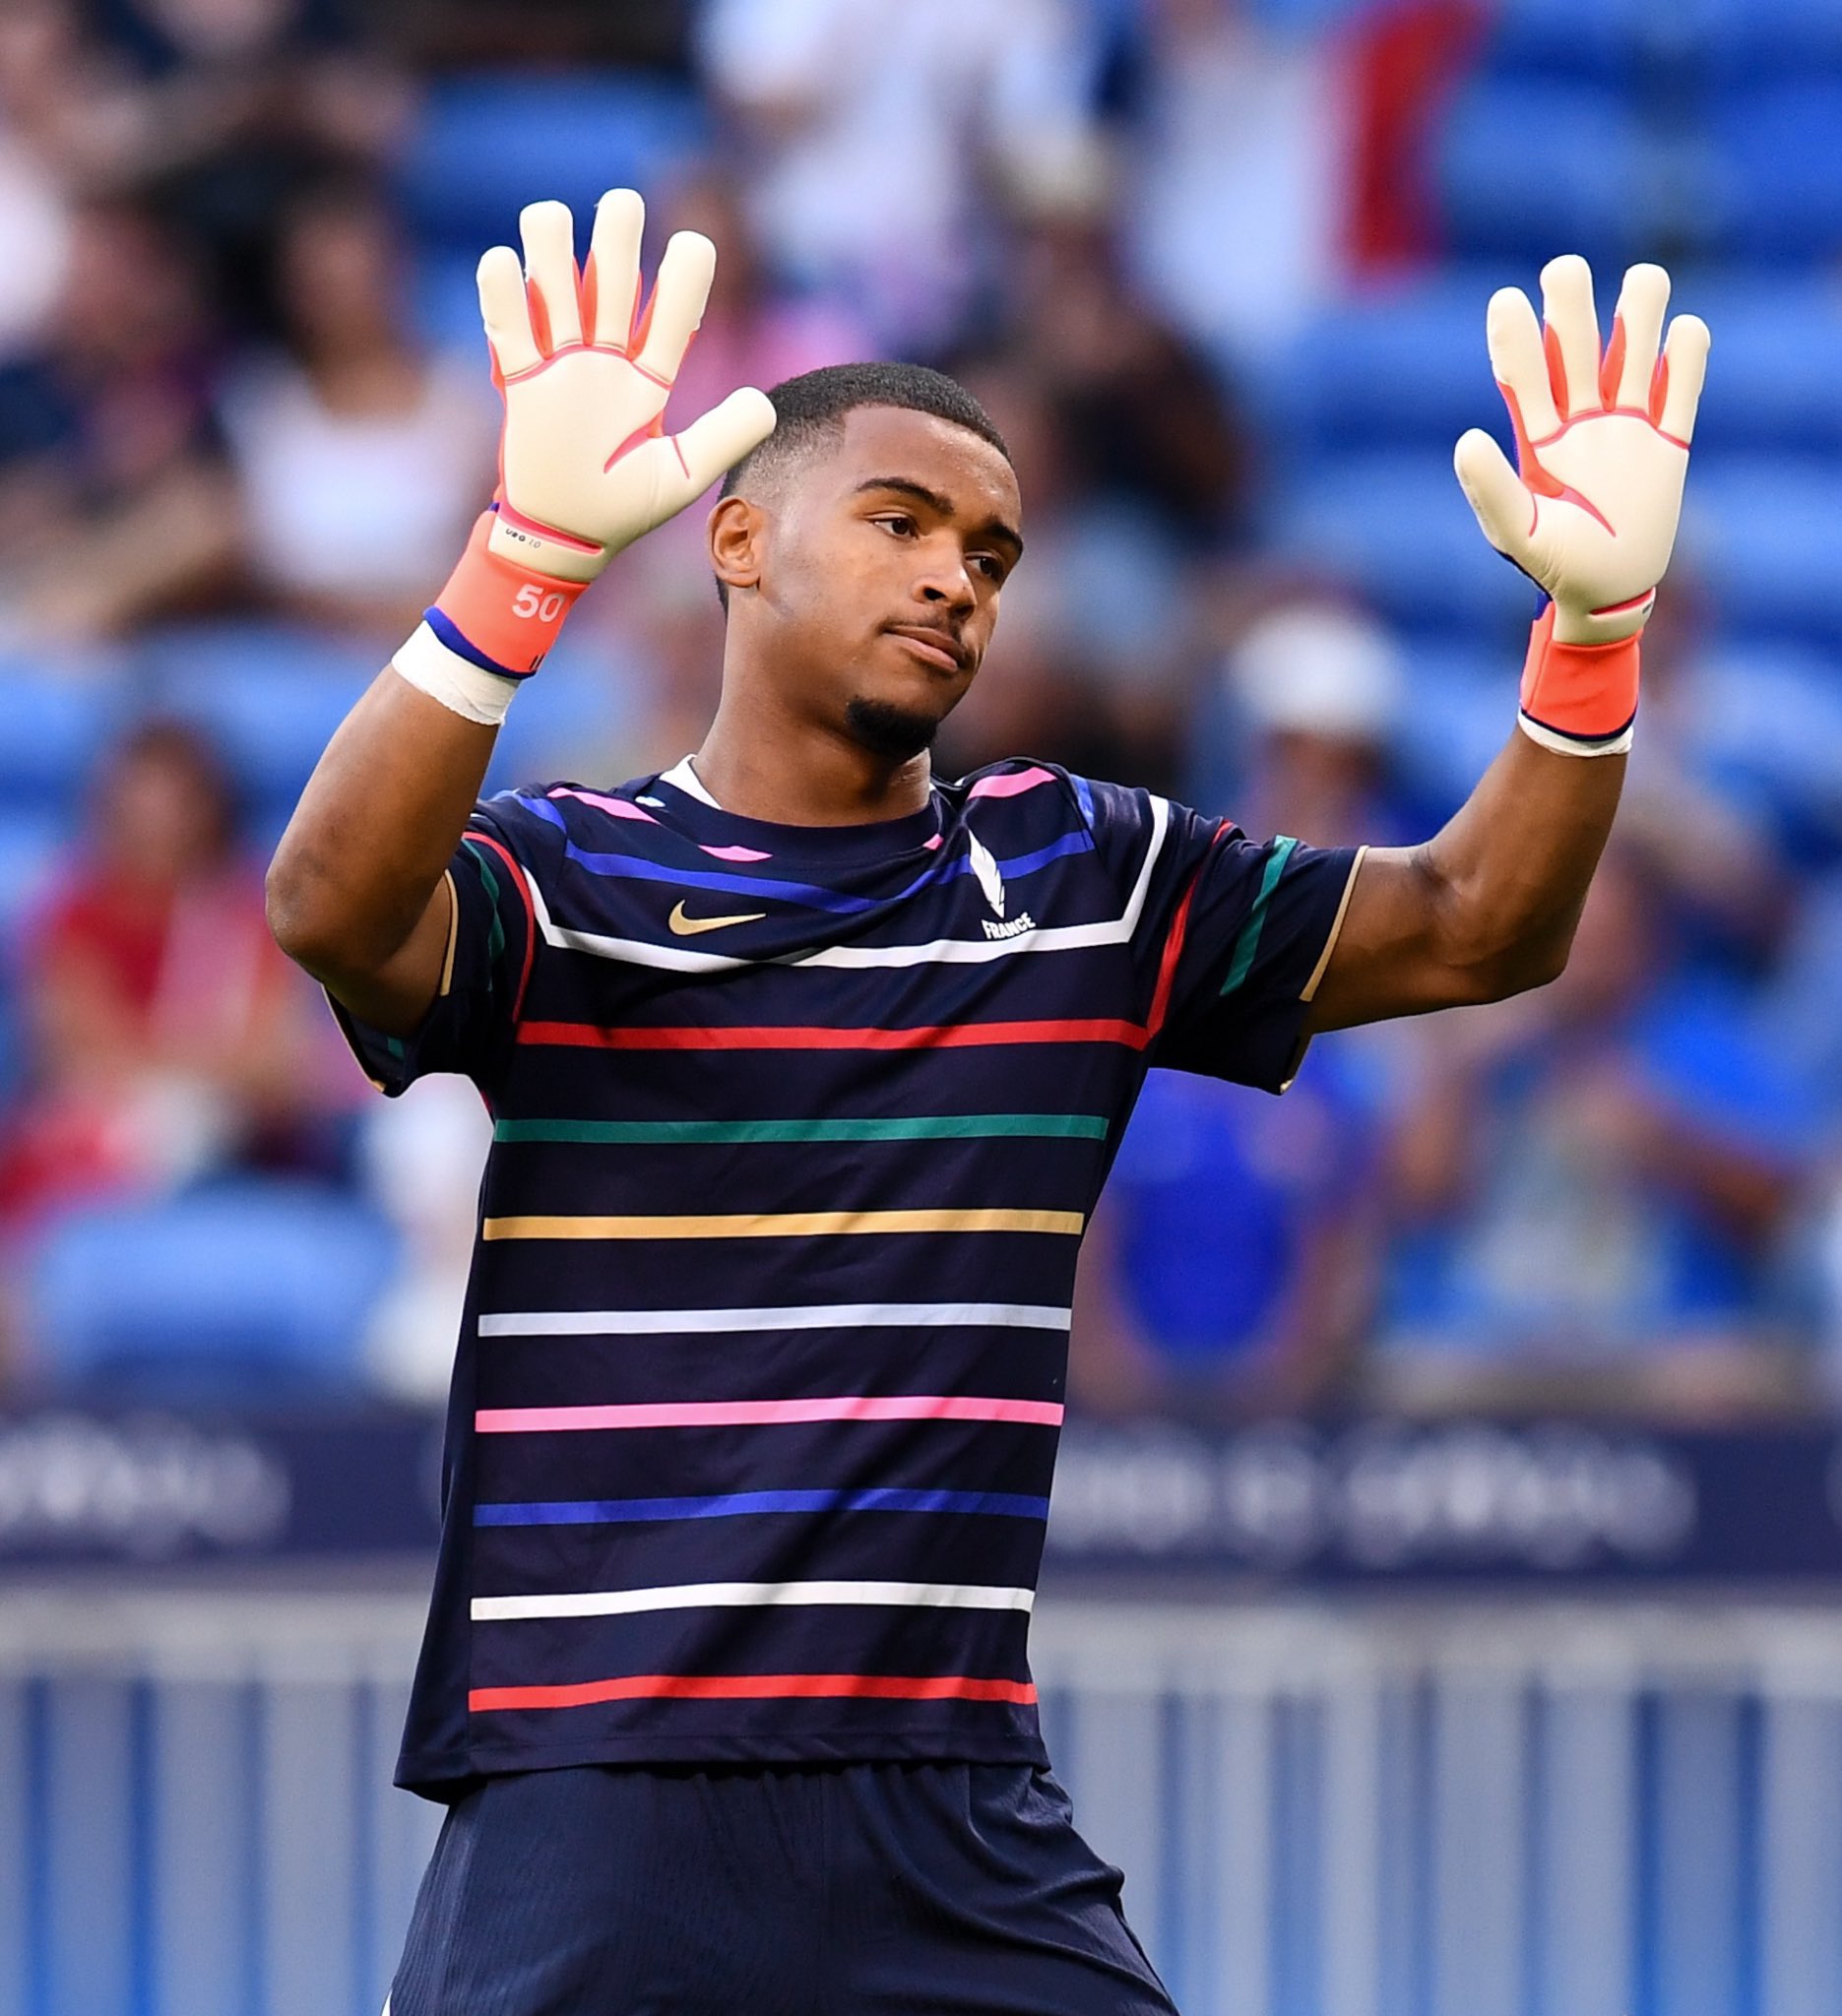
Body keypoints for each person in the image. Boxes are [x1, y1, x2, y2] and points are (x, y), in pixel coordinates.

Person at [265, 190, 1708, 2013]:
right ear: (734, 541)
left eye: (994, 551)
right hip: (596, 1788)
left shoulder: (1088, 875)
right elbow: (329, 908)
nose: (958, 576)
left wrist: (1594, 630)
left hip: (952, 1808)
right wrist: (522, 562)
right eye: (901, 521)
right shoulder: (572, 875)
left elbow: (1479, 923)